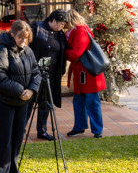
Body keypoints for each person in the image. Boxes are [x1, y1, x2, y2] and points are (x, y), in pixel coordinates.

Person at [0, 20, 41, 173]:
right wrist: (20, 91)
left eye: (26, 38)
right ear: (12, 35)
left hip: (22, 102)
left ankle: (13, 170)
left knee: (17, 136)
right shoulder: (1, 50)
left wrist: (31, 90)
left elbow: (36, 72)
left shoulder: (28, 50)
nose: (23, 41)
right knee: (4, 138)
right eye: (20, 38)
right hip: (4, 101)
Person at [63, 10, 105, 139]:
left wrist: (62, 53)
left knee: (92, 102)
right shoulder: (74, 30)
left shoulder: (80, 30)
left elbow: (76, 53)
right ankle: (79, 127)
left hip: (87, 72)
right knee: (79, 101)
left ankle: (97, 130)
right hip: (81, 71)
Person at [30, 9, 68, 141]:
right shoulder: (37, 28)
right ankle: (20, 129)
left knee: (45, 103)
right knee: (29, 102)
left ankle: (42, 130)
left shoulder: (60, 34)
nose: (62, 26)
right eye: (61, 24)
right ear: (53, 20)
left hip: (51, 74)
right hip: (34, 73)